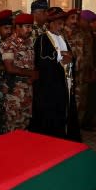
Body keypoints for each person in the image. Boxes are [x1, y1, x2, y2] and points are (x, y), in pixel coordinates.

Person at [30, 8, 79, 140]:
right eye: (58, 23)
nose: (61, 26)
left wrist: (70, 58)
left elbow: (70, 56)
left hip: (64, 85)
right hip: (50, 88)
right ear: (50, 23)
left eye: (62, 23)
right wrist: (59, 56)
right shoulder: (42, 39)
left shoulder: (62, 38)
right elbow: (42, 60)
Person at [0, 13, 37, 133]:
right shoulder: (9, 43)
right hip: (14, 91)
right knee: (13, 124)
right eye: (27, 26)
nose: (30, 30)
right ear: (18, 27)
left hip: (28, 90)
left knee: (26, 123)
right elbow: (9, 68)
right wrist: (31, 73)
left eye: (31, 27)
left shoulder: (30, 42)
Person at [0, 10, 14, 135]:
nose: (9, 31)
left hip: (12, 85)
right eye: (6, 28)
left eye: (11, 28)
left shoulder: (15, 44)